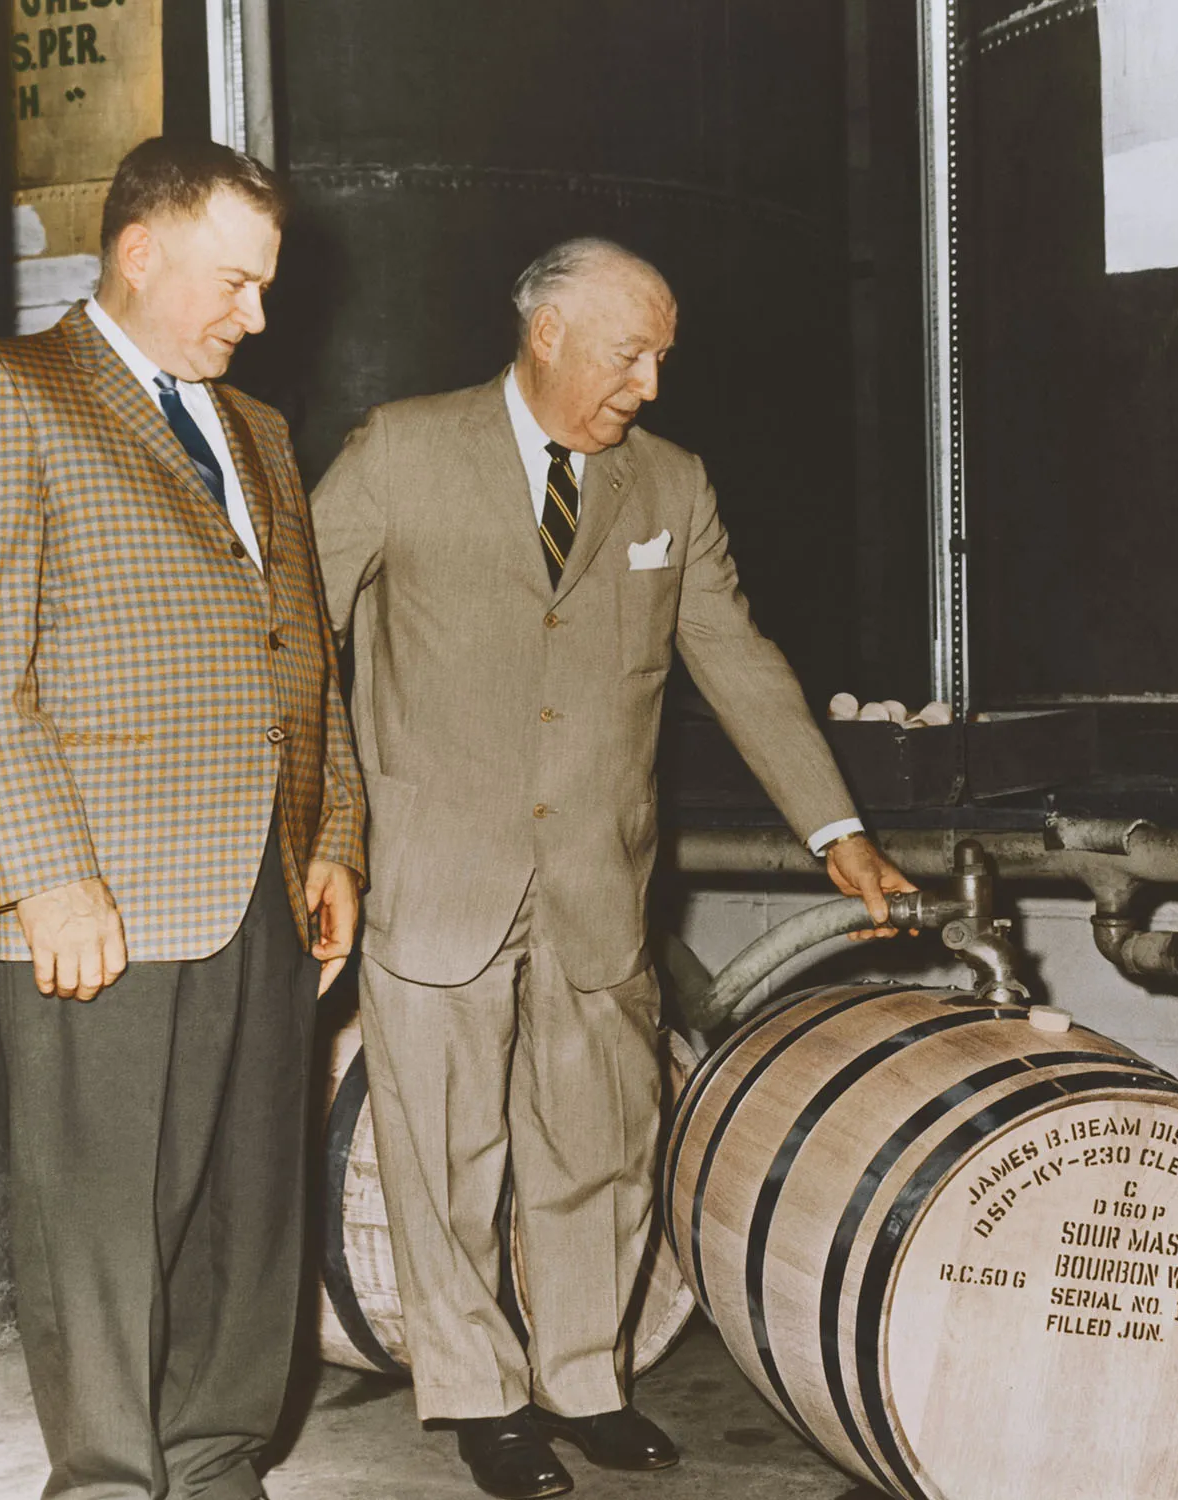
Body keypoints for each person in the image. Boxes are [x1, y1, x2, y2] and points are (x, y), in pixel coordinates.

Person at [310, 237, 911, 1500]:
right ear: (548, 336)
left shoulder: (670, 485)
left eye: (661, 359)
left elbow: (737, 659)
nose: (650, 385)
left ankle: (584, 1380)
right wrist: (325, 827)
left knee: (599, 1143)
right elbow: (292, 633)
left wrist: (836, 830)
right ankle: (481, 1400)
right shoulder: (402, 449)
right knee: (446, 1158)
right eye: (630, 356)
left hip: (596, 876)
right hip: (434, 872)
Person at [0, 138, 365, 1500]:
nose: (259, 314)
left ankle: (219, 1460)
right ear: (138, 251)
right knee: (104, 1224)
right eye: (235, 282)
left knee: (249, 1209)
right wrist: (45, 877)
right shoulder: (9, 389)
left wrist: (334, 838)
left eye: (265, 285)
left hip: (264, 887)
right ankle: (112, 1482)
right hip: (102, 896)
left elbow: (305, 659)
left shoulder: (261, 432)